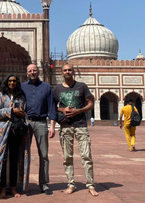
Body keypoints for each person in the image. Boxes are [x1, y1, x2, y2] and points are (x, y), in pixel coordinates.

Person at [54, 64, 98, 196]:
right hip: (66, 126)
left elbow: (91, 103)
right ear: (61, 73)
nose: (67, 72)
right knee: (67, 157)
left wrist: (79, 110)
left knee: (86, 156)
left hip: (81, 125)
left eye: (69, 70)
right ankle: (71, 183)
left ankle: (90, 185)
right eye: (65, 70)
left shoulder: (82, 86)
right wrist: (63, 109)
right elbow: (52, 106)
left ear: (73, 72)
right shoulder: (57, 89)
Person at [0, 74, 31, 198]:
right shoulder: (0, 96)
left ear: (17, 83)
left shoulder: (21, 96)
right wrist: (11, 111)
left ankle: (13, 188)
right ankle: (2, 188)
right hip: (3, 132)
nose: (12, 83)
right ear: (6, 82)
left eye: (14, 81)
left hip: (16, 131)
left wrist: (22, 113)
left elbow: (26, 111)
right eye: (10, 81)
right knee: (2, 159)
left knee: (14, 159)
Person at [21, 64, 57, 196]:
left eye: (34, 70)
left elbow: (51, 107)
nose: (32, 73)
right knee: (23, 154)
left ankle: (44, 184)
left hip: (41, 123)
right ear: (26, 73)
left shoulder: (46, 87)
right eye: (30, 71)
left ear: (38, 71)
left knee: (44, 155)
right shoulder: (22, 87)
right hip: (26, 123)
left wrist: (52, 125)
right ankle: (22, 183)